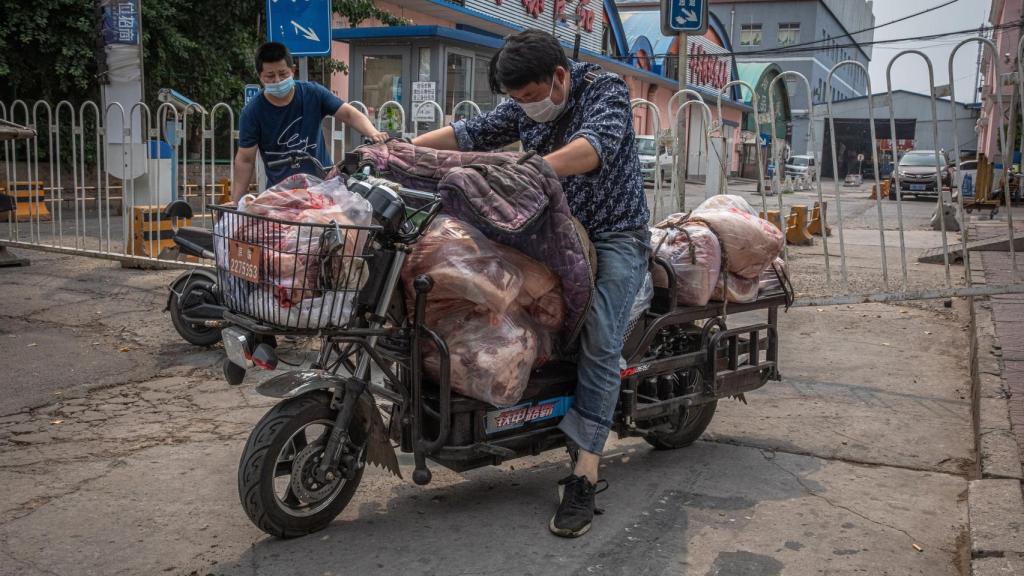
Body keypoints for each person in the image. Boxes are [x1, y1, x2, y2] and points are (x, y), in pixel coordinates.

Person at [412, 29, 650, 538]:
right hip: (548, 231)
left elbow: (592, 148)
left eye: (528, 97)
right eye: (515, 101)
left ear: (559, 78)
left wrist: (531, 170)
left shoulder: (605, 92)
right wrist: (398, 152)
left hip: (613, 235)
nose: (523, 108)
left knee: (601, 339)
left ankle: (585, 473)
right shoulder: (525, 105)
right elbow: (469, 133)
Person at [232, 42, 386, 201]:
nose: (277, 80)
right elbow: (245, 159)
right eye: (270, 76)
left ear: (293, 70)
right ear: (260, 77)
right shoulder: (253, 112)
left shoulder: (313, 93)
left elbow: (348, 114)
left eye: (283, 74)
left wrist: (373, 132)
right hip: (281, 196)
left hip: (323, 188)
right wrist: (237, 201)